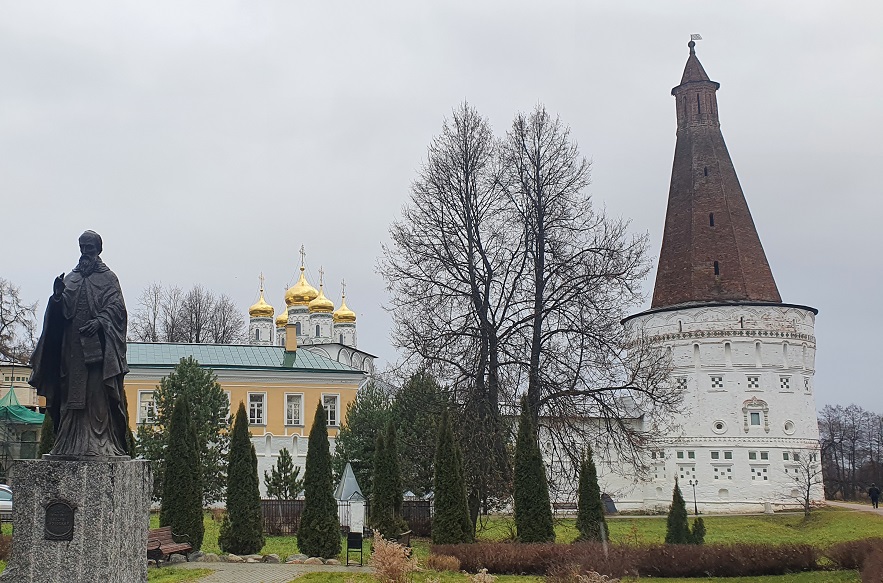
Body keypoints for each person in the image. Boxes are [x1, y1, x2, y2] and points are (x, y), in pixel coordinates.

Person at [29, 230, 130, 458]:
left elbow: (118, 310)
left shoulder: (109, 278)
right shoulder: (71, 278)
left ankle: (99, 443)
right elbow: (61, 314)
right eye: (82, 247)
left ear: (98, 249)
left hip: (96, 353)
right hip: (71, 350)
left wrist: (100, 321)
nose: (85, 252)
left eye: (89, 248)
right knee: (68, 396)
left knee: (96, 395)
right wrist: (57, 297)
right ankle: (67, 443)